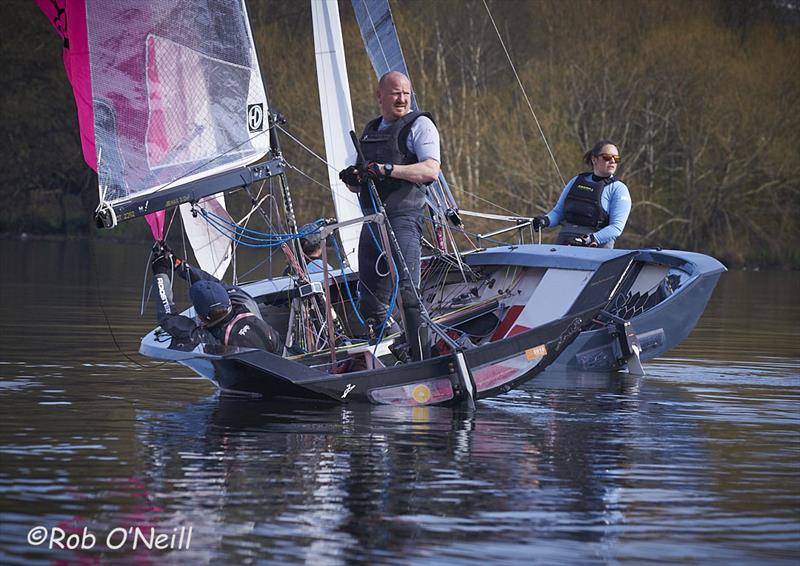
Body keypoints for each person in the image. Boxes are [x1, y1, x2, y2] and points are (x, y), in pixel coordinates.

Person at [338, 71, 441, 359]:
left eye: (406, 93)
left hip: (403, 218)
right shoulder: (370, 129)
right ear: (379, 96)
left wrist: (386, 169)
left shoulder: (420, 126)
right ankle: (393, 350)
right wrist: (353, 177)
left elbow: (430, 171)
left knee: (409, 293)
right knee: (370, 300)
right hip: (372, 223)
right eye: (396, 93)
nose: (402, 98)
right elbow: (358, 181)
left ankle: (422, 355)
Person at [150, 243, 283, 353]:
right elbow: (217, 283)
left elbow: (168, 318)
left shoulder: (209, 338)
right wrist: (177, 263)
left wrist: (160, 273)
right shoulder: (244, 301)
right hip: (287, 357)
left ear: (201, 317)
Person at [533, 140, 631, 248]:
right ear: (594, 159)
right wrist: (545, 220)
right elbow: (558, 212)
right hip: (564, 242)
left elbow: (616, 228)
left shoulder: (619, 189)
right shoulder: (576, 180)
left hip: (594, 248)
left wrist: (589, 239)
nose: (612, 161)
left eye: (616, 158)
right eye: (607, 157)